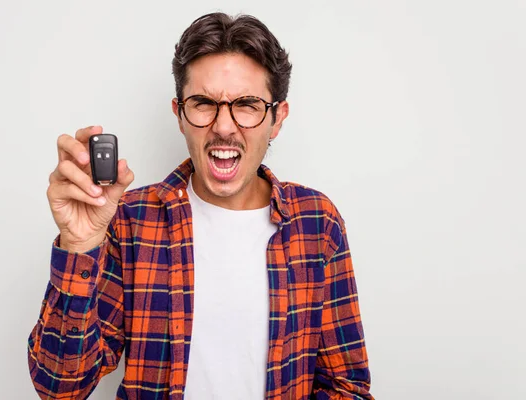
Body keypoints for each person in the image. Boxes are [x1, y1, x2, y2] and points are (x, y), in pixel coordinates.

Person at [27, 12, 373, 400]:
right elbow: (59, 389)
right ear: (179, 114)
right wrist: (79, 246)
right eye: (203, 103)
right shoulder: (131, 221)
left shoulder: (316, 223)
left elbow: (347, 389)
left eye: (246, 104)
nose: (224, 126)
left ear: (277, 119)